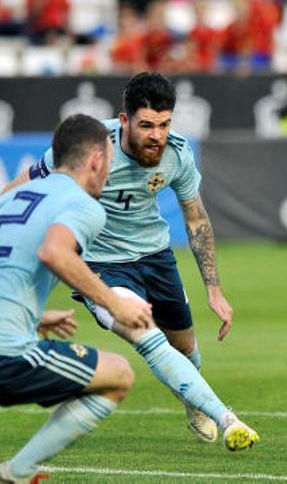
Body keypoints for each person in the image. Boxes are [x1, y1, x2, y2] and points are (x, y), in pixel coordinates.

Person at [3, 72, 260, 452]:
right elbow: (30, 182)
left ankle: (194, 401)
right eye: (146, 125)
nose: (157, 134)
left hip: (155, 256)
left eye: (164, 124)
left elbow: (196, 217)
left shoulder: (177, 153)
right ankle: (227, 418)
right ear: (124, 121)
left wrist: (214, 289)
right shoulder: (90, 148)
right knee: (147, 337)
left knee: (185, 346)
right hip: (102, 266)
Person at [0, 114, 152, 483]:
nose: (110, 173)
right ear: (96, 160)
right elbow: (55, 253)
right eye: (111, 162)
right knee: (117, 374)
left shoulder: (13, 196)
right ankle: (16, 473)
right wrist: (116, 304)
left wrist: (33, 316)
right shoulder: (83, 205)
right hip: (6, 353)